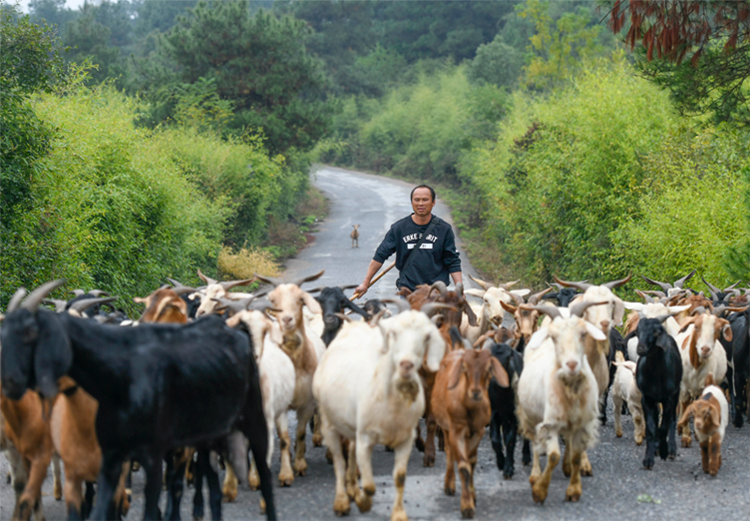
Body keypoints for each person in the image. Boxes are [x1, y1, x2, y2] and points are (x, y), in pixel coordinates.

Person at [355, 184, 463, 297]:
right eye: (417, 200)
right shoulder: (399, 228)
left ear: (433, 202)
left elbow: (453, 261)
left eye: (425, 200)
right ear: (412, 202)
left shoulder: (444, 229)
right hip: (408, 293)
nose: (421, 203)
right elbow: (379, 256)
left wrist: (460, 290)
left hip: (436, 294)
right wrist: (365, 283)